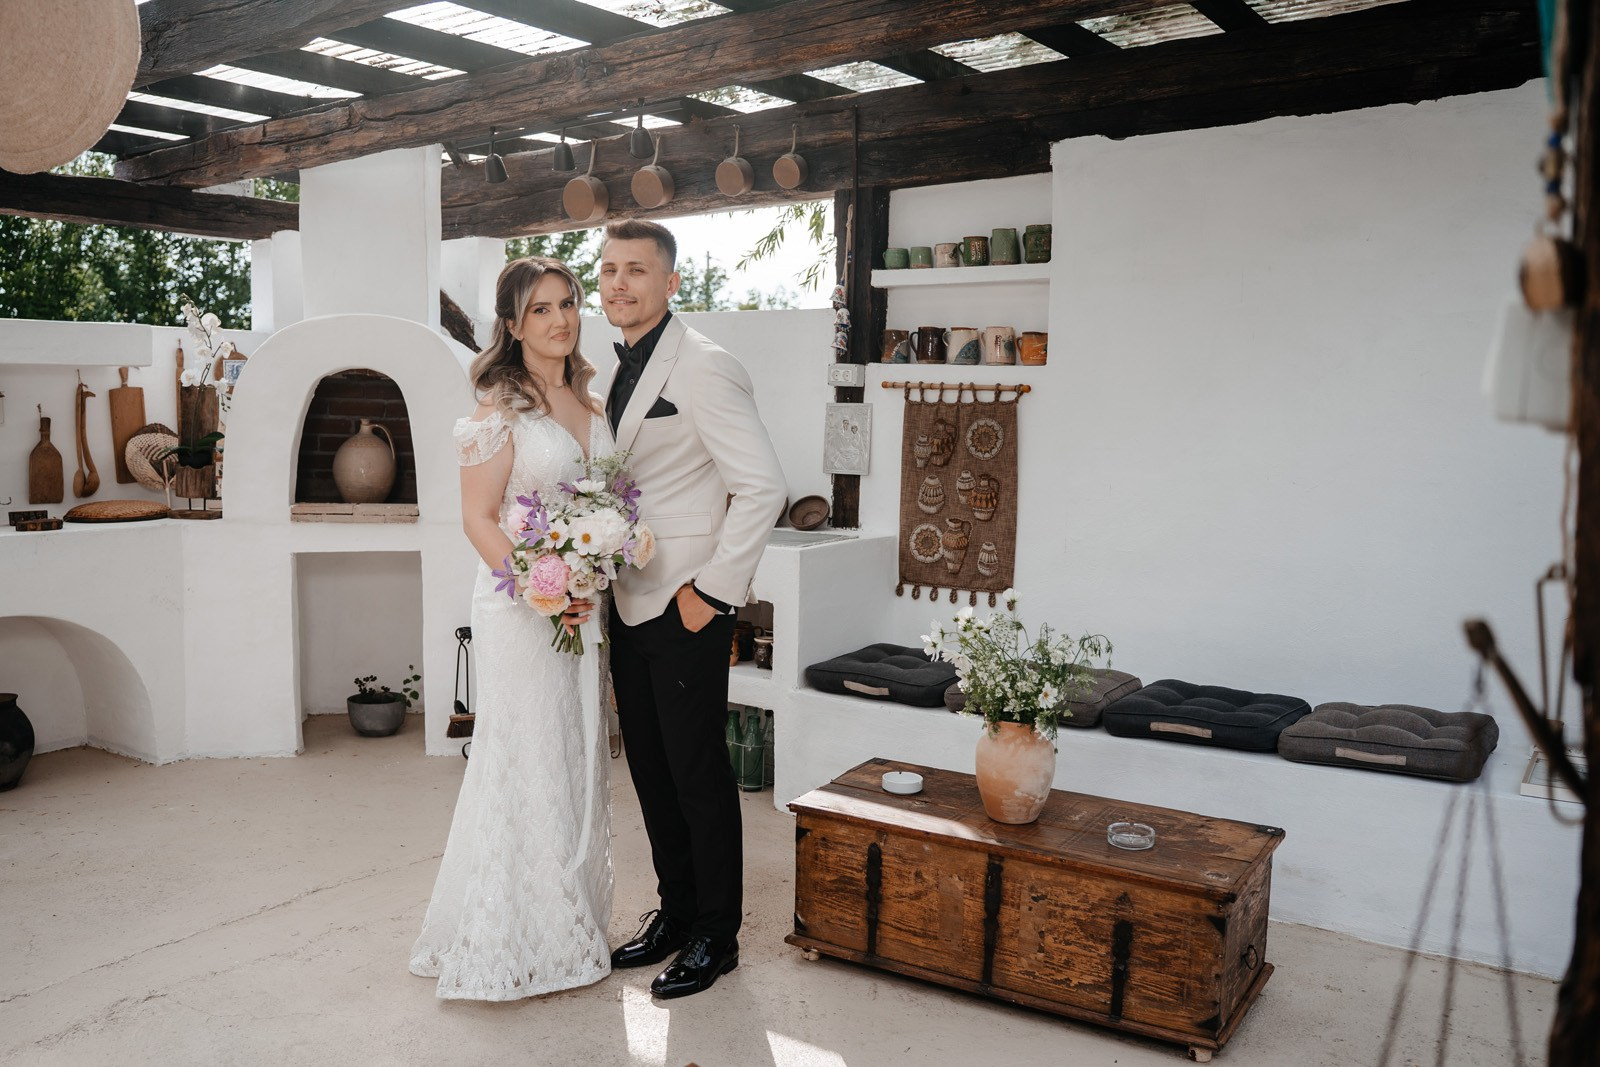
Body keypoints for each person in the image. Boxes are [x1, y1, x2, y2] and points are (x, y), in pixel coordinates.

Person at [409, 257, 616, 1001]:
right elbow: (477, 517)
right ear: (512, 324)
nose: (560, 320)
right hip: (519, 607)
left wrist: (588, 575)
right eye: (540, 310)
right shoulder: (498, 411)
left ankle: (564, 918)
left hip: (579, 608)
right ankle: (509, 936)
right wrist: (543, 589)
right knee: (523, 755)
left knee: (571, 750)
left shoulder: (591, 401)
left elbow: (601, 508)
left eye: (568, 304)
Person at [594, 219, 786, 999]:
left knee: (699, 775)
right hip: (625, 600)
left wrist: (710, 595)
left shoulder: (705, 366)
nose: (618, 283)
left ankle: (716, 934)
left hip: (686, 609)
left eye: (637, 270)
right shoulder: (611, 367)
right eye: (609, 269)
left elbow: (763, 486)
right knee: (649, 770)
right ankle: (675, 913)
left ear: (672, 282)